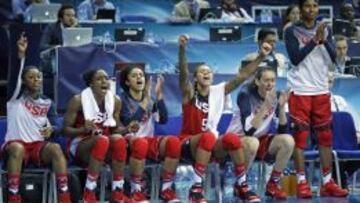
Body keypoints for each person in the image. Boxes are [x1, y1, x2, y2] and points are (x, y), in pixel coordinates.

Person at [178, 34, 272, 203]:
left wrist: (261, 57)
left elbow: (242, 76)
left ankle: (242, 185)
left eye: (209, 71)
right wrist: (182, 50)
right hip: (189, 143)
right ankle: (196, 188)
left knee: (231, 139)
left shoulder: (218, 91)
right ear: (196, 77)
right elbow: (184, 75)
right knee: (207, 136)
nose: (206, 73)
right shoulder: (189, 94)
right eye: (202, 72)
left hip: (210, 143)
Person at [284, 0, 348, 198]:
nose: (312, 9)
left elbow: (333, 60)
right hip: (301, 89)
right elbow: (295, 58)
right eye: (307, 6)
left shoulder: (325, 30)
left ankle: (327, 183)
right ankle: (302, 183)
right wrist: (314, 41)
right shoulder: (291, 30)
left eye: (315, 6)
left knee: (325, 139)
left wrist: (323, 40)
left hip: (321, 89)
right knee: (300, 140)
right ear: (301, 8)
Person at [2, 33, 71, 203]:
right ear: (24, 81)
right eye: (31, 77)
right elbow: (14, 77)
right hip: (15, 146)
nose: (36, 80)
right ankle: (13, 196)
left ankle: (64, 196)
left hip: (38, 146)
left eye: (38, 77)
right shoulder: (15, 98)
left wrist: (52, 129)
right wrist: (20, 56)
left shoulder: (48, 102)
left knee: (55, 148)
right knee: (17, 148)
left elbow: (58, 126)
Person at [63, 69, 132, 203]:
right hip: (80, 144)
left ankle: (117, 192)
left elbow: (114, 129)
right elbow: (65, 130)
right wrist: (83, 128)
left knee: (119, 141)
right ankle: (89, 193)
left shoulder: (115, 101)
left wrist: (126, 129)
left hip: (102, 144)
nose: (104, 81)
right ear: (91, 84)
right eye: (99, 79)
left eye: (106, 78)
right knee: (102, 140)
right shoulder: (78, 100)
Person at [118, 67, 181, 203]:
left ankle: (166, 189)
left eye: (141, 75)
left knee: (174, 143)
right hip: (128, 142)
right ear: (127, 82)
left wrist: (158, 96)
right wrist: (146, 99)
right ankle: (136, 190)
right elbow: (130, 123)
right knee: (141, 143)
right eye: (134, 75)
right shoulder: (121, 100)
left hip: (148, 141)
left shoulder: (150, 99)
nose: (139, 78)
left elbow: (163, 119)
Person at [235, 67, 294, 200]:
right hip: (238, 140)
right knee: (253, 142)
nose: (270, 84)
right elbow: (248, 130)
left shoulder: (276, 96)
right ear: (257, 81)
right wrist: (265, 106)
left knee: (288, 141)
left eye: (273, 80)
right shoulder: (245, 94)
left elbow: (283, 131)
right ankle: (240, 184)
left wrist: (282, 107)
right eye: (266, 80)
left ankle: (272, 184)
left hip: (259, 139)